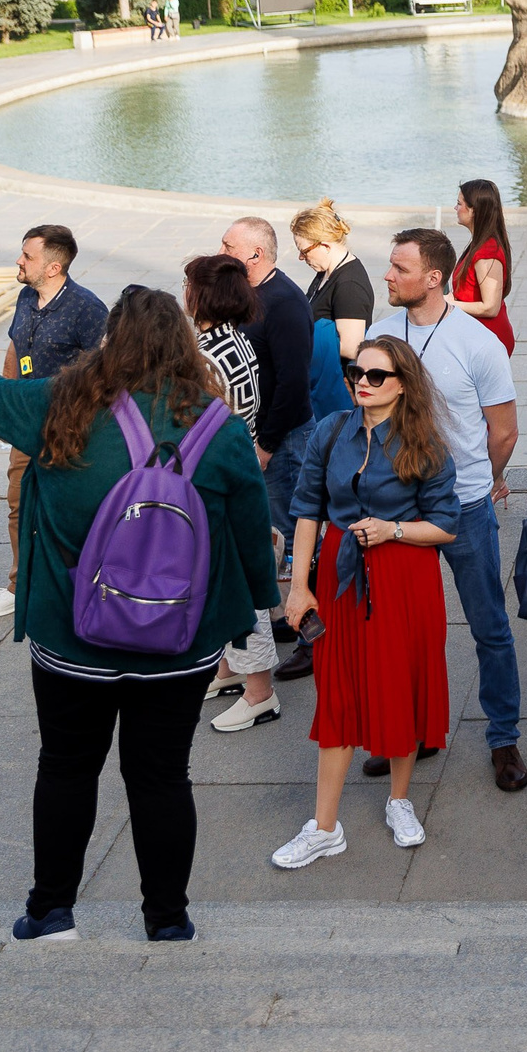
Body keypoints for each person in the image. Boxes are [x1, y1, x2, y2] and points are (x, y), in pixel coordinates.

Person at [0, 286, 276, 944]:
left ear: (110, 341)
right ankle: (167, 920)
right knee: (165, 777)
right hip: (182, 644)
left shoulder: (61, 406)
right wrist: (256, 610)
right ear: (183, 345)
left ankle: (51, 912)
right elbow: (252, 536)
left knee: (66, 767)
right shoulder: (218, 426)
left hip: (72, 637)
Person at [269, 337, 461, 870]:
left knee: (400, 684)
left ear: (403, 384)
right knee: (337, 689)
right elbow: (307, 508)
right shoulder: (332, 430)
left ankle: (399, 800)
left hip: (404, 576)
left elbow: (446, 524)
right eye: (358, 372)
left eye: (377, 376)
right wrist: (300, 586)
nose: (362, 382)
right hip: (338, 574)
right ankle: (324, 826)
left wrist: (393, 529)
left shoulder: (426, 442)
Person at [378, 228, 526, 792]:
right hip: (396, 510)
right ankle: (418, 732)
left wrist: (485, 481)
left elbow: (505, 431)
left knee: (489, 625)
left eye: (399, 267)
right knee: (410, 631)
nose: (387, 276)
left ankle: (504, 738)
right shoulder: (382, 335)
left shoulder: (477, 342)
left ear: (433, 277)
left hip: (462, 508)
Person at [185, 253, 303, 727]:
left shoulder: (205, 356)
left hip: (222, 486)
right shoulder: (235, 341)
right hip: (240, 475)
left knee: (238, 589)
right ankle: (231, 669)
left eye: (189, 286)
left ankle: (260, 692)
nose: (185, 294)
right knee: (228, 583)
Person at [0, 226, 109, 621]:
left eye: (27, 256)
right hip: (27, 426)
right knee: (19, 504)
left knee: (72, 509)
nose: (19, 261)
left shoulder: (88, 309)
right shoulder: (24, 298)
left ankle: (82, 586)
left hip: (71, 430)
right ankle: (20, 587)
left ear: (54, 267)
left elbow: (104, 370)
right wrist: (6, 402)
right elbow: (17, 348)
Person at [222, 216, 317, 580]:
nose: (222, 253)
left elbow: (294, 384)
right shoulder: (251, 295)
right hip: (265, 436)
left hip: (285, 441)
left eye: (229, 247)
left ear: (255, 254)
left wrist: (266, 444)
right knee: (270, 528)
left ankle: (303, 618)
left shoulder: (285, 303)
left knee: (292, 533)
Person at [294, 199, 374, 372]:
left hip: (335, 383)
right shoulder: (326, 272)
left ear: (324, 245)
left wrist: (296, 341)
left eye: (304, 251)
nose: (301, 257)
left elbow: (352, 347)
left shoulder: (350, 285)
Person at [449, 179, 515, 353]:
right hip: (476, 335)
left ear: (474, 210)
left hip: (488, 339)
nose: (455, 208)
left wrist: (448, 304)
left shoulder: (487, 252)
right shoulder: (480, 243)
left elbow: (490, 307)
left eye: (459, 203)